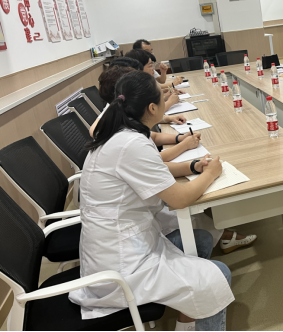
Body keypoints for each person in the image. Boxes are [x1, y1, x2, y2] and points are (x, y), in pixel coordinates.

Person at [69, 71, 234, 331]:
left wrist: (192, 166)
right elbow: (179, 199)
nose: (166, 97)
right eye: (162, 95)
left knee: (201, 240)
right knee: (218, 276)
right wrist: (211, 173)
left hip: (127, 243)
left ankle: (186, 322)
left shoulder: (124, 133)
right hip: (121, 267)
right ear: (152, 108)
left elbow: (154, 169)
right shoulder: (130, 143)